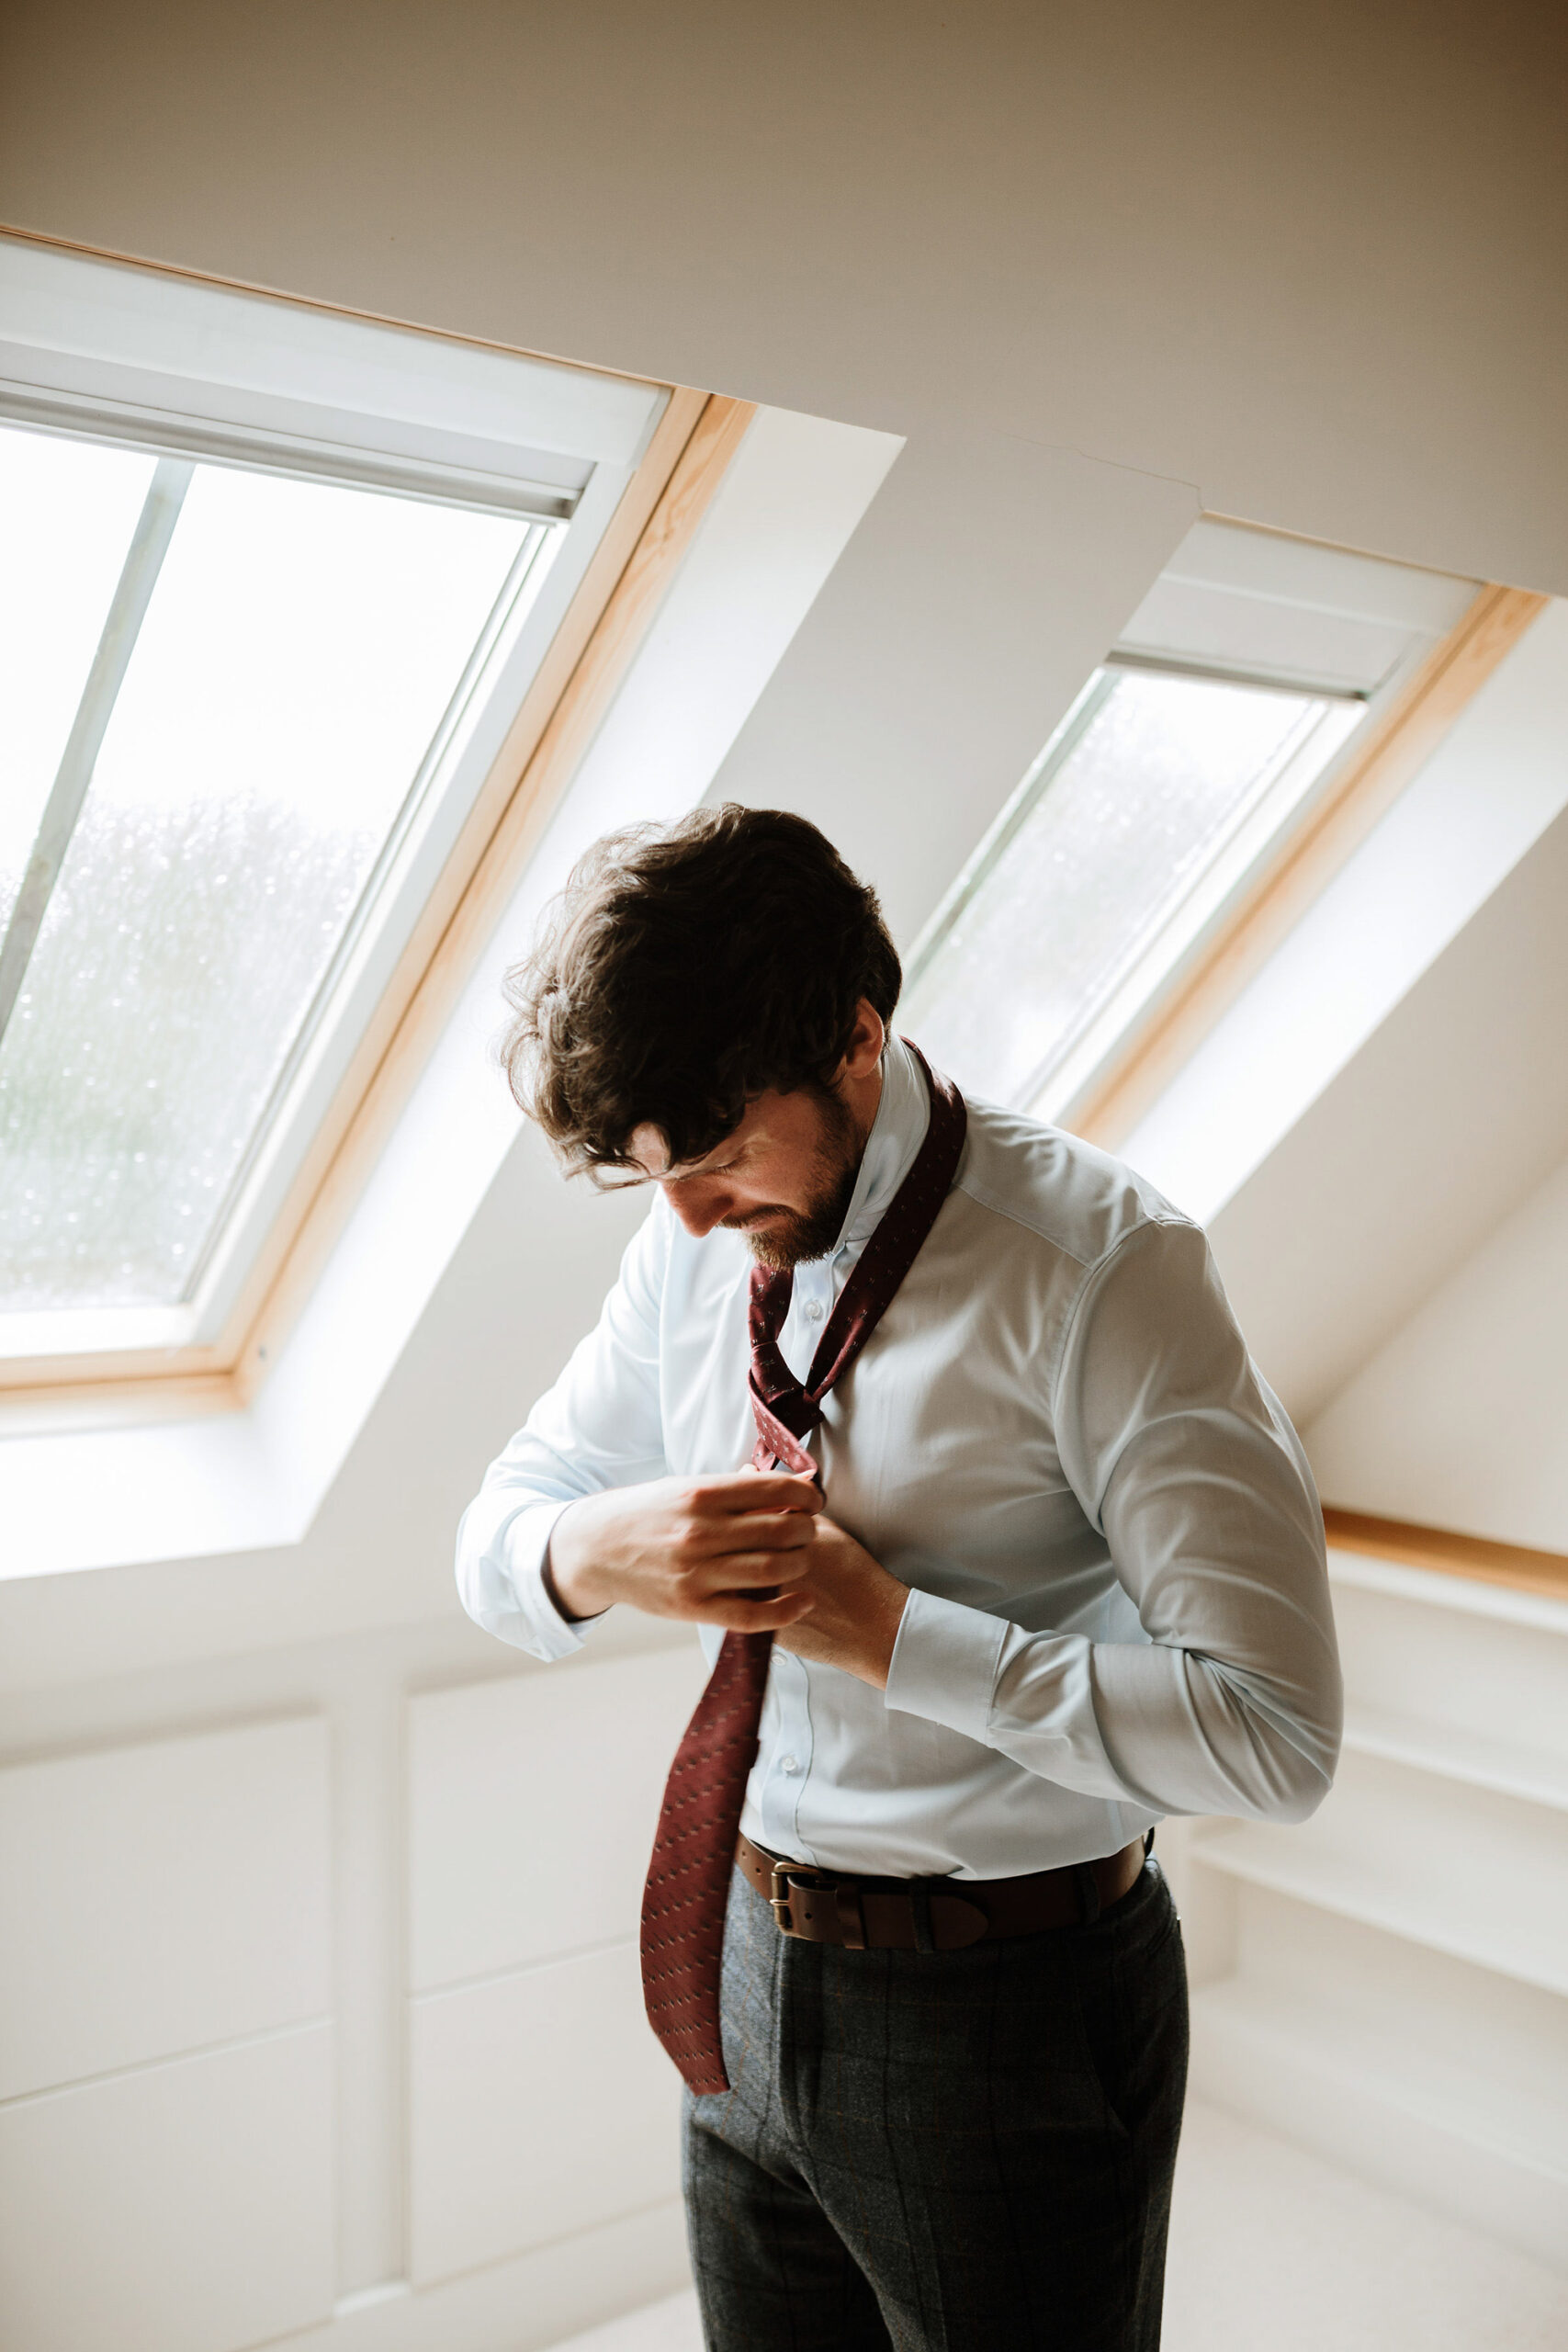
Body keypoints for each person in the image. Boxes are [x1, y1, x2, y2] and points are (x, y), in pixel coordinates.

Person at [456, 804, 1341, 2351]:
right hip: (733, 1956)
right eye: (652, 1178)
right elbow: (501, 1525)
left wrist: (891, 1635)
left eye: (722, 1157)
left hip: (1008, 2002)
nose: (686, 1219)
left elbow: (1276, 1734)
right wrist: (595, 1552)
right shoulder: (696, 1238)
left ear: (860, 1037)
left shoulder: (1103, 1272)